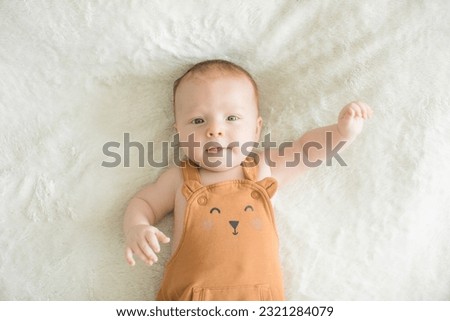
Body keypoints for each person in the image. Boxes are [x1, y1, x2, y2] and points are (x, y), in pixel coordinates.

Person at [123, 59, 373, 300]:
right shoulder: (179, 178)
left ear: (256, 129)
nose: (214, 130)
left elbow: (305, 150)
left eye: (231, 118)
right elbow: (144, 202)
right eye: (198, 120)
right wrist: (137, 227)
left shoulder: (264, 168)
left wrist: (341, 133)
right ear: (179, 132)